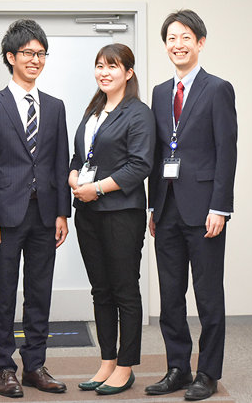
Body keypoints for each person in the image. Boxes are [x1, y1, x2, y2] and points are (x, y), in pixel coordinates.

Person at [0, 19, 71, 398]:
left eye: (41, 53)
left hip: (46, 214)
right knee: (3, 293)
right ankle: (3, 367)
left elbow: (61, 162)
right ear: (11, 57)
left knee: (39, 292)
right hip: (5, 216)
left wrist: (63, 212)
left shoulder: (55, 106)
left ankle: (34, 365)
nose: (35, 59)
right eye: (28, 53)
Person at [145, 9, 238, 401]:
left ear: (199, 43)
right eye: (171, 38)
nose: (178, 44)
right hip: (166, 208)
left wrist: (221, 207)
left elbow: (226, 151)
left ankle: (208, 374)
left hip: (204, 211)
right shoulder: (160, 92)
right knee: (170, 296)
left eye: (185, 37)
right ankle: (178, 368)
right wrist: (152, 206)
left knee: (208, 296)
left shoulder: (218, 89)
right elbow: (155, 154)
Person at [69, 43, 155, 395]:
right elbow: (80, 156)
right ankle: (106, 360)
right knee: (101, 290)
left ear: (128, 73)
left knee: (124, 289)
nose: (104, 72)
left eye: (113, 66)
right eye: (99, 66)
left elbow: (139, 165)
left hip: (121, 214)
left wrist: (98, 189)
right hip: (88, 213)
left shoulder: (138, 113)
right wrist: (73, 176)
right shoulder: (94, 110)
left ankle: (126, 365)